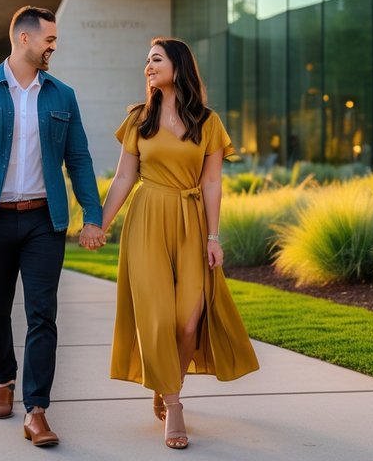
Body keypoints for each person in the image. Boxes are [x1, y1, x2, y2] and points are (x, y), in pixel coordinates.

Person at [0, 6, 104, 447]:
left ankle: (37, 411)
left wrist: (92, 216)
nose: (55, 45)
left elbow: (80, 160)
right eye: (49, 38)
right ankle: (4, 381)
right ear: (24, 39)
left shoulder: (62, 95)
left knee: (42, 314)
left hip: (42, 221)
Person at [96, 38, 259, 450]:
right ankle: (175, 405)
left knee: (188, 321)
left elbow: (211, 183)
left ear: (178, 65)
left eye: (155, 59)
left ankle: (168, 384)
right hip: (147, 218)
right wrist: (99, 223)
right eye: (146, 60)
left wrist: (213, 236)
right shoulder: (138, 119)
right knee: (156, 318)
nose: (147, 67)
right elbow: (123, 178)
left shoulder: (208, 122)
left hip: (191, 221)